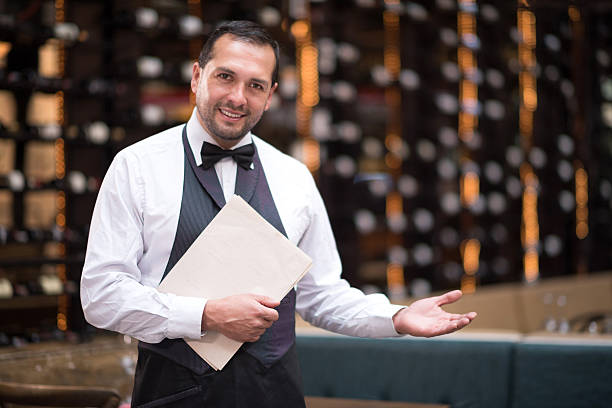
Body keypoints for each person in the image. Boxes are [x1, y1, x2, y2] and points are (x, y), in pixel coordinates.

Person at [81, 20, 476, 408]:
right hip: (175, 394)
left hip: (275, 393)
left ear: (270, 96)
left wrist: (398, 318)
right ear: (197, 76)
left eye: (254, 86)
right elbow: (101, 296)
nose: (238, 97)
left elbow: (322, 296)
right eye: (225, 77)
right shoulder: (137, 167)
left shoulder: (294, 177)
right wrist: (207, 315)